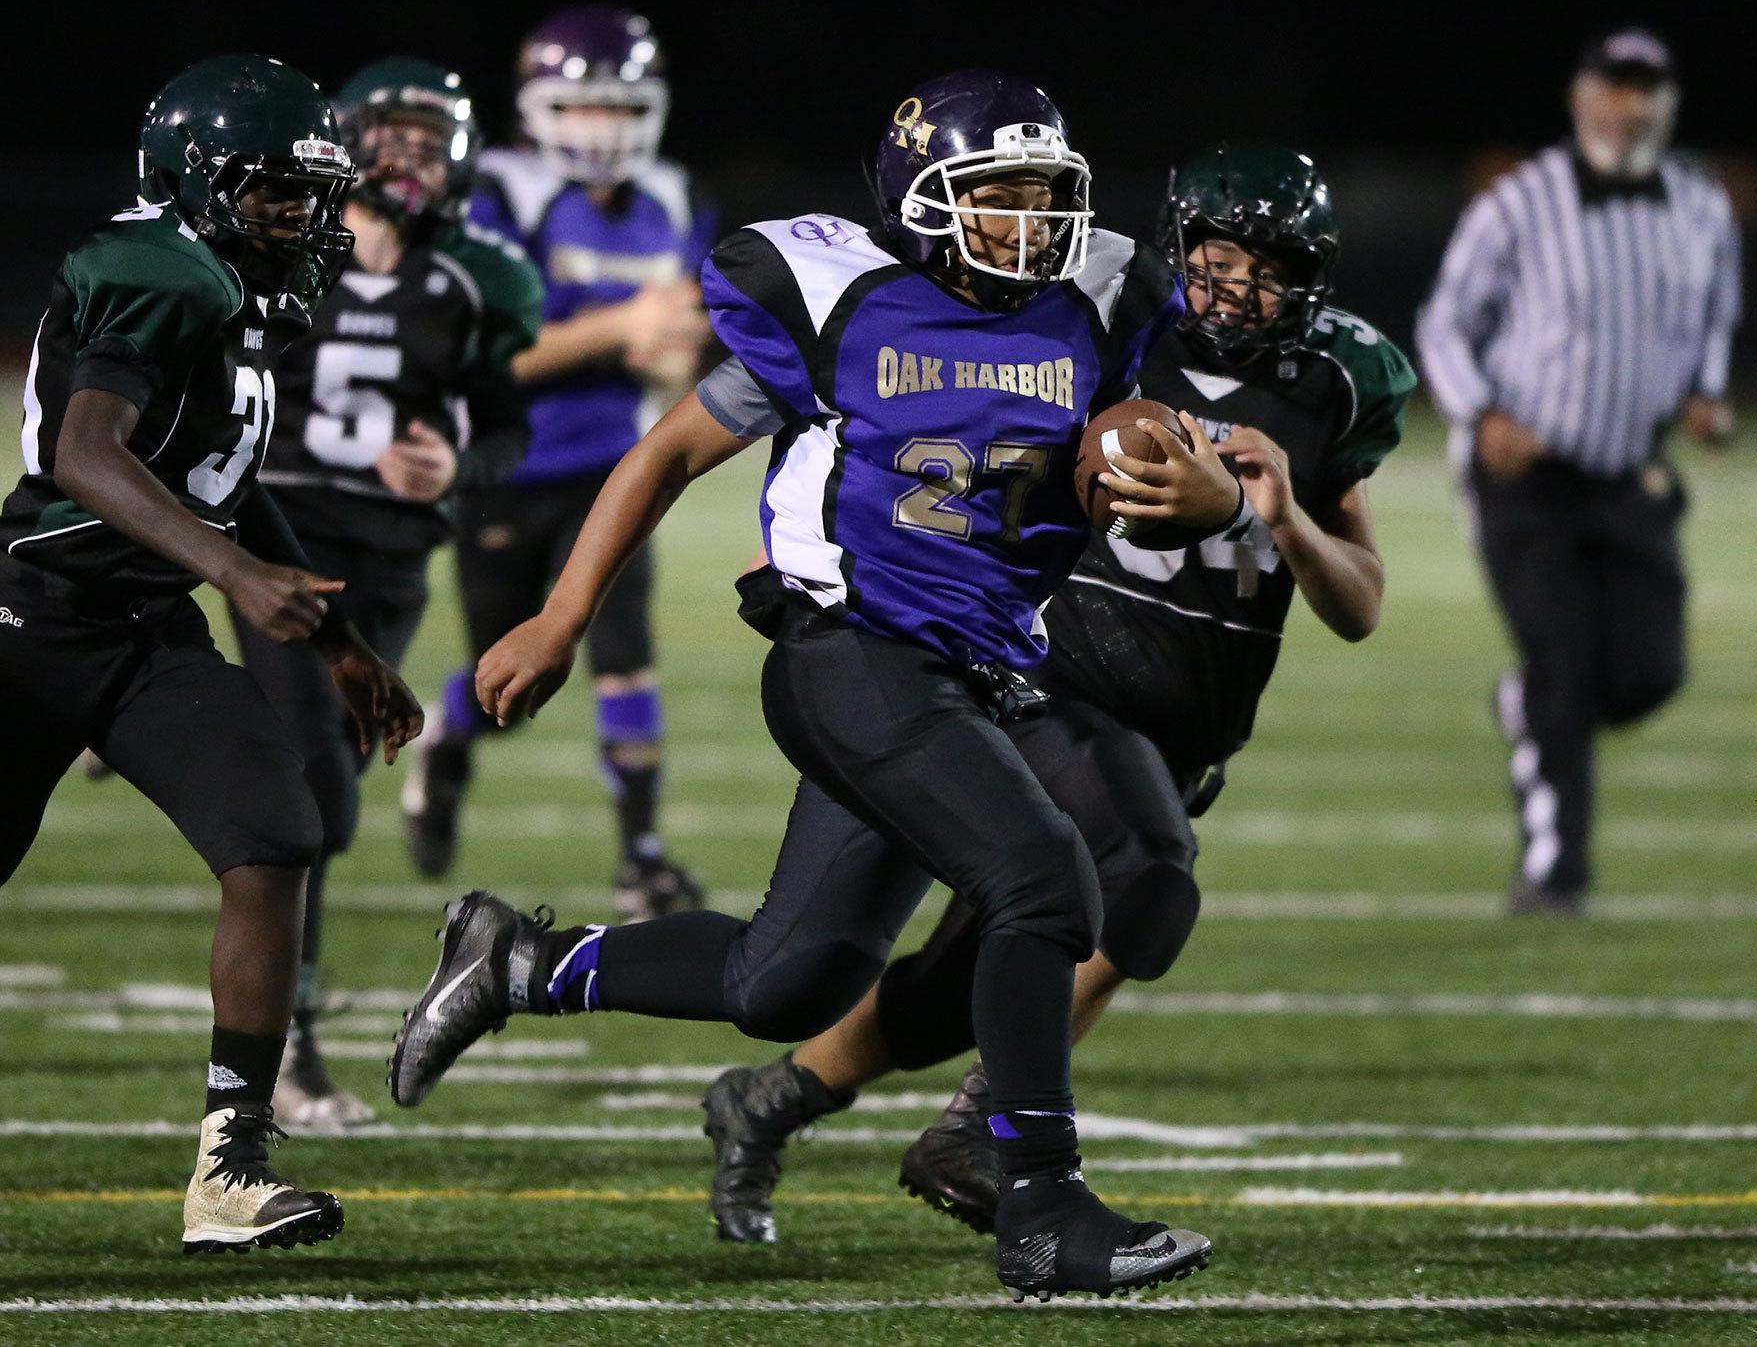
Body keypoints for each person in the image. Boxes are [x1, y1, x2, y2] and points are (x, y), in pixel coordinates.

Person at [386, 70, 1223, 1300]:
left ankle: (519, 962)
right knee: (1045, 878)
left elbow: (1168, 451)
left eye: (1048, 194)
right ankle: (1041, 1209)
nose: (1031, 222)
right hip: (852, 658)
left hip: (982, 671)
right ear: (923, 198)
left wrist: (1222, 499)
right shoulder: (837, 296)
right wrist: (561, 618)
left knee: (787, 982)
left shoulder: (1097, 304)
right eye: (998, 196)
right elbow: (666, 451)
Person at [693, 143, 1413, 1244]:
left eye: (1269, 272)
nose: (1236, 292)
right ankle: (993, 1147)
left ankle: (775, 1096)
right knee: (1147, 879)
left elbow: (1359, 604)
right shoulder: (1103, 320)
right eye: (1219, 262)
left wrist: (1277, 515)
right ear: (1180, 250)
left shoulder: (1333, 381)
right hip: (1050, 681)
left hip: (1180, 721)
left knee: (965, 981)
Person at [0, 55, 420, 1252]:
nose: (302, 218)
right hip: (34, 619)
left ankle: (227, 1173)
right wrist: (239, 577)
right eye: (273, 193)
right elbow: (84, 457)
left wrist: (339, 642)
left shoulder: (226, 279)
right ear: (194, 182)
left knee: (273, 833)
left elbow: (224, 483)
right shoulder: (156, 266)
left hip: (145, 631)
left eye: (309, 193)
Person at [236, 57, 543, 1130]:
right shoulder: (274, 255)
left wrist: (454, 464)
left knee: (331, 790)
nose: (407, 155)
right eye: (391, 133)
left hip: (395, 558)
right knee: (312, 779)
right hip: (280, 540)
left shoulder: (480, 278)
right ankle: (285, 1053)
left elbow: (507, 426)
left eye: (429, 137)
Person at [1414, 27, 1741, 915]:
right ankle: (1556, 873)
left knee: (1648, 674)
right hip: (1529, 479)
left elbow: (1713, 312)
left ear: (1667, 102)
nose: (1631, 105)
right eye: (1616, 84)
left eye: (1649, 87)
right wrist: (1482, 414)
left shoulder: (1704, 205)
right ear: (1582, 95)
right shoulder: (1518, 204)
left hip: (1632, 470)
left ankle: (1532, 705)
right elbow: (1444, 324)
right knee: (1563, 659)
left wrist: (1707, 393)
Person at [402, 5, 714, 918]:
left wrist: (675, 353)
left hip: (617, 469)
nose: (602, 129)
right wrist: (621, 327)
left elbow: (683, 338)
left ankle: (643, 857)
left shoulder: (675, 197)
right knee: (508, 670)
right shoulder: (493, 191)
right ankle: (446, 739)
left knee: (623, 656)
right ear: (537, 108)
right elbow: (474, 351)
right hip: (505, 465)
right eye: (581, 108)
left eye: (620, 108)